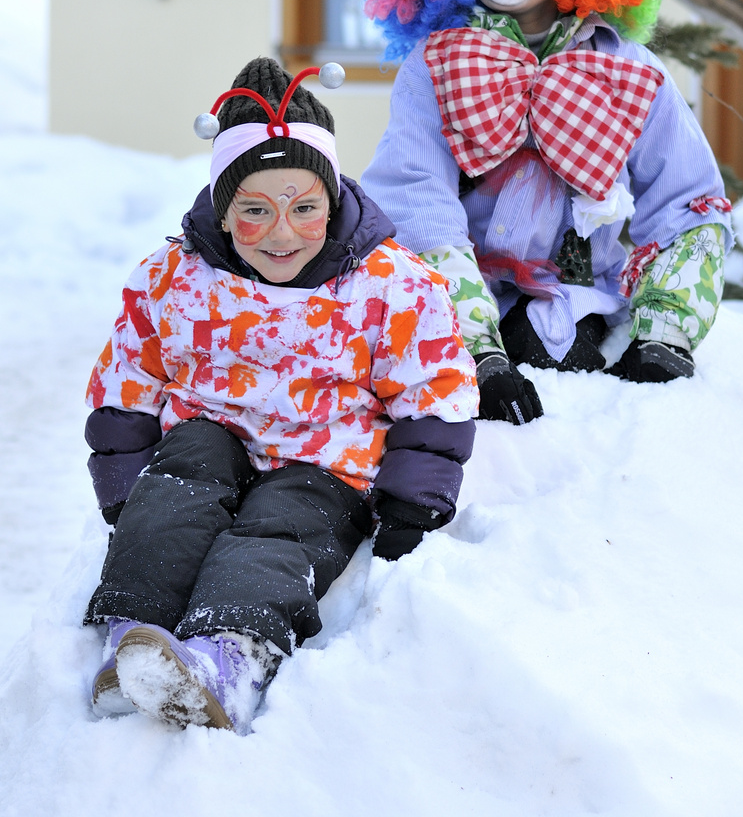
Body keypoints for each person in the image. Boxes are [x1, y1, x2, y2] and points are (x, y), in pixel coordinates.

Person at [83, 56, 478, 733]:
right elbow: (128, 378)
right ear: (222, 207)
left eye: (304, 208)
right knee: (175, 488)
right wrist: (125, 485)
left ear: (331, 197)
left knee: (276, 533)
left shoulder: (388, 284)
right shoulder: (177, 276)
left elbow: (435, 388)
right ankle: (133, 638)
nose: (282, 232)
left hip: (323, 457)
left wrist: (415, 500)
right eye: (255, 212)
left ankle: (226, 658)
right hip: (210, 433)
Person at [360, 0, 734, 425]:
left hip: (590, 305)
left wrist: (664, 333)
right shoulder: (433, 68)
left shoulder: (631, 72)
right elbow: (415, 201)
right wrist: (474, 346)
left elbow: (691, 202)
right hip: (460, 309)